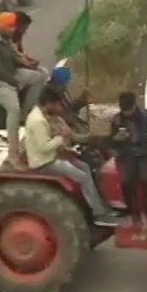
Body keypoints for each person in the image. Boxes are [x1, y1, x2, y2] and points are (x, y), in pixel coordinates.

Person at [24, 89, 122, 227]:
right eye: (58, 105)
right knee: (82, 177)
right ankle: (98, 214)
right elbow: (43, 147)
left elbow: (72, 136)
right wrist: (61, 137)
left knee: (86, 168)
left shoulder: (48, 116)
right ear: (49, 104)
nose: (60, 108)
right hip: (45, 162)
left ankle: (101, 207)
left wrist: (90, 137)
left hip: (53, 156)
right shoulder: (38, 121)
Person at [0, 12, 47, 168]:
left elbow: (13, 59)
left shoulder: (6, 40)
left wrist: (29, 64)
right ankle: (13, 154)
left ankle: (28, 113)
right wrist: (14, 82)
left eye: (13, 27)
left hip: (11, 75)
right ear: (1, 26)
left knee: (39, 76)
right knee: (13, 109)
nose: (12, 30)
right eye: (9, 27)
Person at [109, 92, 147, 228]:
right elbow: (111, 142)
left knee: (146, 180)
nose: (127, 113)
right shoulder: (117, 120)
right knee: (126, 181)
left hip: (142, 153)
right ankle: (131, 212)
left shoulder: (146, 115)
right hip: (124, 155)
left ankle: (145, 211)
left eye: (129, 110)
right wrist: (116, 139)